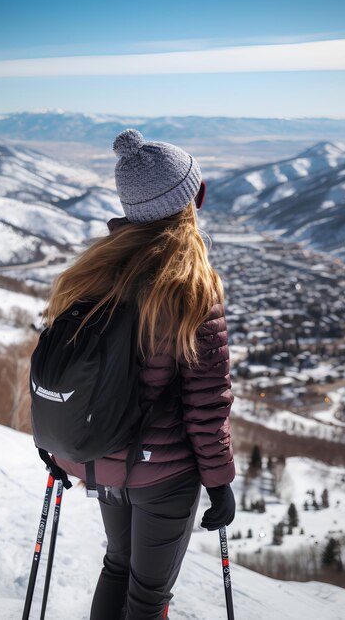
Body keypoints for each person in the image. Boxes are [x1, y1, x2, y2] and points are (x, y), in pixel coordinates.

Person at [42, 128, 236, 620]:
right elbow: (206, 401)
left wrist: (56, 443)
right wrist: (219, 480)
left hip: (98, 452)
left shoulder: (91, 272)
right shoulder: (189, 285)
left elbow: (61, 363)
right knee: (148, 596)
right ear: (190, 202)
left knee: (117, 565)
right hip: (163, 472)